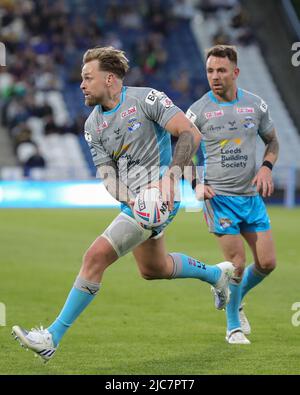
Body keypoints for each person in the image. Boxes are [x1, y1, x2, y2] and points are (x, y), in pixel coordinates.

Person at [12, 46, 234, 361]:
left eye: (88, 78)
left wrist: (169, 180)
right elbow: (108, 177)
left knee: (95, 257)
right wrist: (131, 198)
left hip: (161, 198)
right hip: (136, 203)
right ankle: (215, 275)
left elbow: (190, 134)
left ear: (111, 80)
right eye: (81, 78)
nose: (81, 84)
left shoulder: (147, 100)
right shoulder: (92, 127)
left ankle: (52, 336)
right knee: (153, 269)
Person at [186, 45, 279, 344]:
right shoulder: (198, 110)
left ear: (235, 72)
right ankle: (233, 327)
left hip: (251, 198)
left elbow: (272, 142)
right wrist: (195, 184)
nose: (215, 76)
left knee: (267, 263)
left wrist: (266, 167)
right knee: (237, 262)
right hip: (219, 199)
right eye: (210, 70)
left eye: (221, 70)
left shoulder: (255, 105)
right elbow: (183, 152)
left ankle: (234, 297)